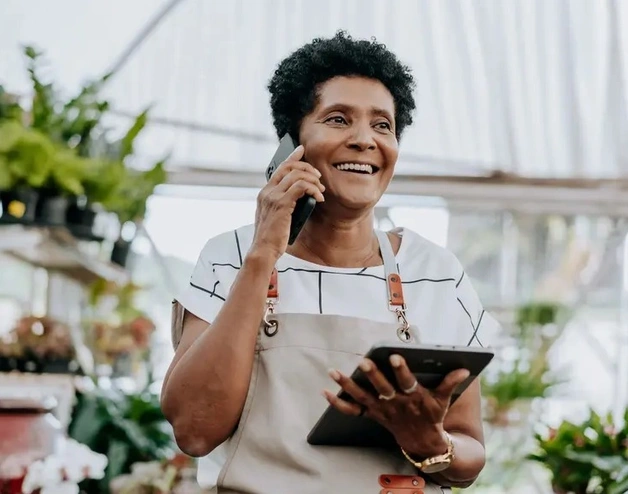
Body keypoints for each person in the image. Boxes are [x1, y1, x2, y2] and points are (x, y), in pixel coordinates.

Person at [161, 31, 500, 493]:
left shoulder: (436, 273)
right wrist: (263, 254)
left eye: (383, 125)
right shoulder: (231, 258)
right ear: (291, 143)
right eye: (339, 119)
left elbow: (470, 455)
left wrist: (430, 443)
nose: (365, 140)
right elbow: (194, 429)